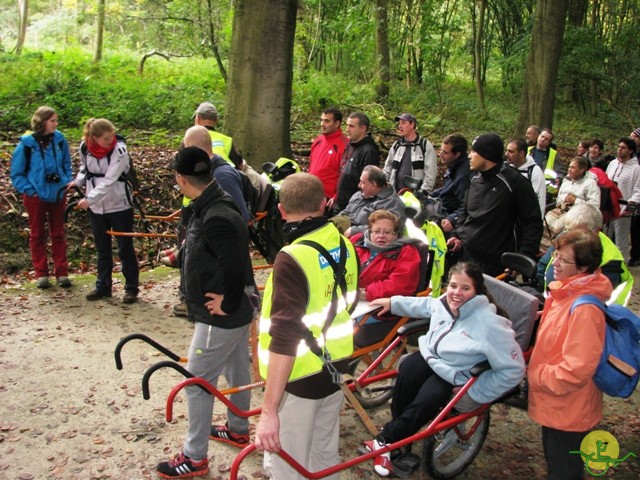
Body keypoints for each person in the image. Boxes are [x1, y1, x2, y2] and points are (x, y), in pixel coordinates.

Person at [366, 262, 525, 477]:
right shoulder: (444, 303)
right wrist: (392, 302)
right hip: (431, 357)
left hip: (455, 373)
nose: (456, 293)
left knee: (428, 398)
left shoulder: (489, 324)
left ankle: (386, 440)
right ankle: (398, 440)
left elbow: (514, 370)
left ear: (477, 291)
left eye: (465, 288)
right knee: (408, 370)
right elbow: (423, 304)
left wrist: (476, 393)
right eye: (453, 286)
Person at [156, 147, 255, 479]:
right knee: (238, 366)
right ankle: (238, 427)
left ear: (181, 179)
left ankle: (194, 457)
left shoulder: (216, 214)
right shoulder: (210, 204)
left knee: (197, 381)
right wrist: (180, 257)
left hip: (221, 318)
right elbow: (211, 252)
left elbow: (236, 266)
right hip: (234, 315)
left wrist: (226, 303)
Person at [255, 173, 359, 480]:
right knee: (324, 455)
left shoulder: (292, 258)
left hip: (299, 378)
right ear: (325, 203)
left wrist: (269, 410)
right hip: (336, 368)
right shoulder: (345, 244)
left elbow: (284, 338)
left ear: (282, 211)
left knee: (288, 465)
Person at [528, 229, 612, 480]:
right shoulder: (565, 293)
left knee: (564, 468)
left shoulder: (585, 309)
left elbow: (577, 369)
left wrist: (537, 376)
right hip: (558, 403)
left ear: (584, 267)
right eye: (556, 256)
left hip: (569, 407)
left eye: (563, 260)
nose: (555, 263)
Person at [447, 133, 543, 277]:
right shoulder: (475, 178)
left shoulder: (515, 182)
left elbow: (533, 221)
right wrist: (456, 235)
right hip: (465, 256)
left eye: (474, 151)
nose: (469, 156)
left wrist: (523, 256)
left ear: (487, 154)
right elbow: (465, 212)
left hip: (495, 263)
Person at [72, 118, 139, 304]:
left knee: (125, 247)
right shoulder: (85, 148)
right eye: (106, 139)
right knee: (102, 248)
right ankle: (103, 285)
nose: (111, 141)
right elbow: (84, 169)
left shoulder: (119, 150)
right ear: (94, 138)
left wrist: (89, 198)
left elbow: (110, 180)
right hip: (97, 207)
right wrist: (77, 182)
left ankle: (131, 287)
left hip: (119, 204)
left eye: (112, 137)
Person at [10, 106, 72, 289]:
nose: (56, 124)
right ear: (43, 121)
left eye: (56, 120)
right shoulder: (26, 145)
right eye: (52, 120)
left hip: (58, 193)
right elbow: (17, 173)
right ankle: (41, 274)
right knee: (37, 234)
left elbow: (67, 164)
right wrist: (30, 191)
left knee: (58, 233)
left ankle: (62, 273)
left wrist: (66, 182)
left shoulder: (60, 141)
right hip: (36, 195)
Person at [349, 210, 423, 346]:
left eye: (387, 232)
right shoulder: (357, 243)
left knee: (339, 333)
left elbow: (400, 285)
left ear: (396, 234)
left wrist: (367, 293)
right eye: (376, 231)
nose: (381, 236)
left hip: (380, 311)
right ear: (369, 232)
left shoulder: (407, 251)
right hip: (348, 301)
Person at [536, 203, 632, 305]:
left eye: (578, 232)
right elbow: (543, 265)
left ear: (596, 231)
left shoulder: (610, 260)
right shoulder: (566, 240)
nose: (570, 236)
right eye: (567, 230)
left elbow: (598, 300)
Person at [332, 112, 380, 213]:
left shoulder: (368, 151)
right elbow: (344, 174)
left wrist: (358, 210)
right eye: (347, 125)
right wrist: (336, 196)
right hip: (339, 204)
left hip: (353, 209)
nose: (347, 129)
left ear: (362, 128)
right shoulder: (350, 146)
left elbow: (368, 185)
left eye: (351, 126)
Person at [338, 165, 406, 233]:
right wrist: (335, 221)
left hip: (362, 241)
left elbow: (389, 229)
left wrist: (354, 231)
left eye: (363, 182)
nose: (359, 185)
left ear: (373, 185)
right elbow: (347, 211)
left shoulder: (393, 205)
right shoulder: (360, 194)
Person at [605, 138, 640, 262]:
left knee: (621, 242)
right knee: (605, 239)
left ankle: (621, 268)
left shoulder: (637, 169)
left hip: (624, 209)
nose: (619, 149)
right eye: (619, 146)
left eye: (623, 147)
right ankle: (605, 267)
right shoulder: (612, 164)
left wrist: (629, 209)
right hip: (607, 206)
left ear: (631, 150)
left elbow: (638, 192)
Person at [383, 113, 437, 193]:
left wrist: (423, 193)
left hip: (416, 195)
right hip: (395, 194)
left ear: (412, 124)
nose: (400, 126)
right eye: (399, 123)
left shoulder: (425, 145)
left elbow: (430, 174)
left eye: (403, 123)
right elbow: (388, 168)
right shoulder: (397, 145)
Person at [308, 107, 349, 204]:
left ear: (337, 124)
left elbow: (347, 175)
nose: (322, 124)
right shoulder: (318, 140)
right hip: (310, 192)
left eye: (327, 121)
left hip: (328, 198)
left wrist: (337, 195)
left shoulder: (345, 145)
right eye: (321, 120)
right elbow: (311, 166)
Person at [192, 101, 243, 169]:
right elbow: (237, 167)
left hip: (202, 177)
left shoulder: (190, 139)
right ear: (216, 121)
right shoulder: (227, 140)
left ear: (197, 119)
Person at [505, 137, 546, 218]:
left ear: (521, 154)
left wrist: (535, 225)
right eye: (507, 150)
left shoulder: (535, 172)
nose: (506, 154)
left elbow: (539, 201)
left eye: (511, 152)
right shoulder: (505, 167)